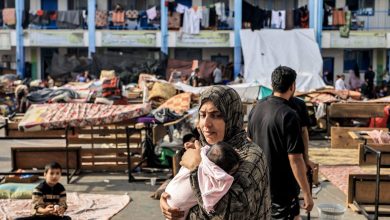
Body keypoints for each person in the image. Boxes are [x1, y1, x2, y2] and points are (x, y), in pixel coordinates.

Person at [160, 85, 271, 219]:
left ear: (232, 118)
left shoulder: (250, 157)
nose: (206, 123)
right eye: (202, 115)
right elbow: (184, 187)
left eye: (216, 115)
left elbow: (233, 214)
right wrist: (168, 200)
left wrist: (197, 168)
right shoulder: (202, 149)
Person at [248, 66, 314, 219]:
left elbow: (249, 143)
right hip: (282, 188)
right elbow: (295, 159)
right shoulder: (289, 115)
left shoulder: (257, 108)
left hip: (259, 183)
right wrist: (307, 193)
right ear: (292, 86)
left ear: (272, 85)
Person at [165, 142, 240, 220]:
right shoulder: (211, 177)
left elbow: (201, 148)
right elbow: (212, 200)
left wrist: (196, 146)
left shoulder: (201, 155)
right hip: (176, 208)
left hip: (170, 191)